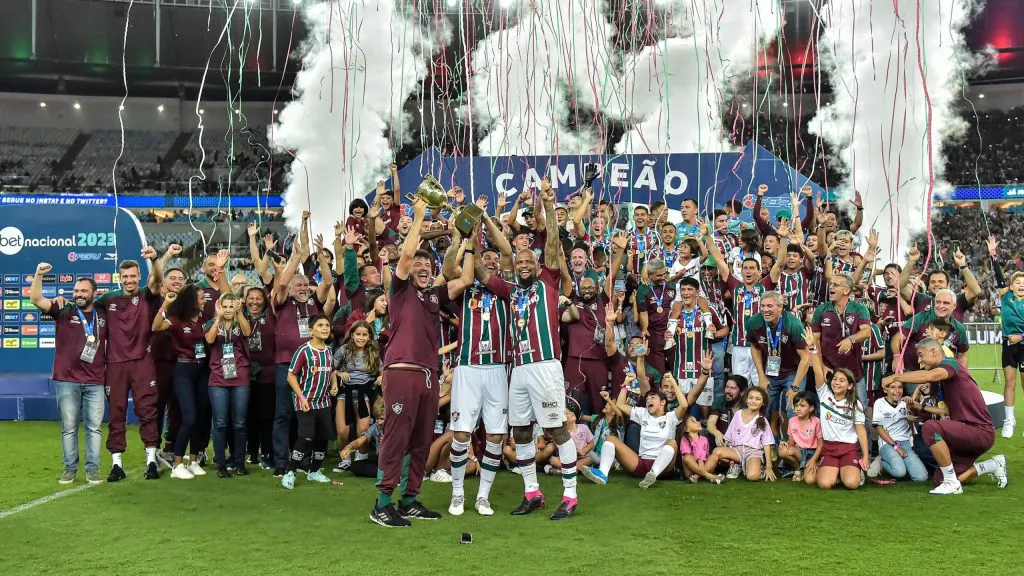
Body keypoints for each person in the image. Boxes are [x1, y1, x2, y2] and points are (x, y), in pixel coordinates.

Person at [478, 180, 581, 520]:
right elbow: (481, 273)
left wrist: (549, 206)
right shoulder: (509, 291)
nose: (523, 263)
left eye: (527, 260)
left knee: (555, 428)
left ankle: (570, 495)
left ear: (536, 266)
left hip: (545, 366)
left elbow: (552, 244)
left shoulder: (548, 283)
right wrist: (470, 232)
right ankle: (532, 492)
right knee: (520, 430)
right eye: (518, 260)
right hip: (518, 369)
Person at [370, 196, 472, 528]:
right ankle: (382, 502)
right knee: (396, 437)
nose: (423, 268)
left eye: (428, 266)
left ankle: (409, 499)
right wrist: (418, 217)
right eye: (419, 266)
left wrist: (467, 238)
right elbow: (409, 253)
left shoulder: (433, 295)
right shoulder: (399, 289)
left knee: (421, 440)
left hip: (429, 375)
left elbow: (464, 280)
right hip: (402, 371)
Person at [442, 225, 511, 517]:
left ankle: (483, 496)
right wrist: (463, 240)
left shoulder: (507, 290)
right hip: (468, 368)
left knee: (496, 437)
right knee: (460, 434)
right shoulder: (464, 288)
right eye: (487, 258)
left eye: (495, 261)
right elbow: (448, 268)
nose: (492, 262)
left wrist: (485, 227)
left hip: (497, 369)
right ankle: (457, 494)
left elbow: (508, 252)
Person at [882, 339, 1007, 495]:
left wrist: (896, 377)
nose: (919, 361)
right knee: (939, 480)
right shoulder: (947, 377)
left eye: (921, 355)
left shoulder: (950, 364)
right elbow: (946, 411)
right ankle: (992, 464)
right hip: (967, 432)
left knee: (930, 428)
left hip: (978, 431)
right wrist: (920, 407)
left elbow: (931, 375)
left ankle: (951, 482)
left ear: (934, 352)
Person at [30, 263, 107, 485]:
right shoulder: (63, 310)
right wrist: (39, 274)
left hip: (95, 380)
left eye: (83, 291)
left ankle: (93, 469)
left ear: (94, 293)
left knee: (94, 429)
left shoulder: (103, 314)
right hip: (66, 380)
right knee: (69, 428)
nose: (78, 295)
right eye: (75, 291)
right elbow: (36, 299)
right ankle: (70, 470)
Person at [93, 249, 165, 482]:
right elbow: (84, 308)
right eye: (125, 277)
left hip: (142, 362)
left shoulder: (147, 295)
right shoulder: (107, 300)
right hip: (115, 364)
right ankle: (116, 465)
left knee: (148, 411)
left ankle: (151, 461)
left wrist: (154, 259)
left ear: (138, 276)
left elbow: (157, 280)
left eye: (133, 276)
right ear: (119, 277)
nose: (129, 280)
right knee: (116, 413)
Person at [271, 221, 334, 477]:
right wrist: (296, 256)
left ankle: (306, 463)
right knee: (284, 414)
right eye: (298, 284)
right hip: (286, 365)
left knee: (311, 416)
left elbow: (328, 283)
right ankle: (280, 462)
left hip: (314, 369)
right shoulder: (282, 302)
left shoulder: (313, 304)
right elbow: (282, 285)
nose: (301, 287)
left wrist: (321, 257)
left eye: (304, 285)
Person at [581, 372, 693, 488]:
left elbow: (684, 405)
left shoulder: (671, 417)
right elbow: (620, 405)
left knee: (672, 442)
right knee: (610, 439)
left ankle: (653, 474)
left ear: (662, 402)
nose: (649, 400)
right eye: (648, 399)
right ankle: (602, 474)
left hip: (663, 469)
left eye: (653, 398)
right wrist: (626, 383)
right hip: (641, 463)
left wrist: (673, 383)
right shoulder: (643, 413)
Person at [152, 284, 211, 480]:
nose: (204, 300)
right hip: (183, 370)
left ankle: (193, 461)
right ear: (192, 300)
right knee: (189, 416)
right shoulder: (177, 320)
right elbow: (156, 327)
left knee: (200, 416)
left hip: (202, 370)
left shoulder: (203, 319)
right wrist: (166, 304)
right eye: (201, 297)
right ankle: (177, 465)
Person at [803, 328, 870, 490]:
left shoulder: (856, 404)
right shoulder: (825, 394)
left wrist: (866, 456)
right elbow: (818, 370)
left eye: (841, 380)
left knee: (852, 484)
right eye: (835, 379)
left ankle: (849, 471)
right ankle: (835, 471)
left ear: (850, 385)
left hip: (849, 448)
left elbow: (861, 431)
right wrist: (813, 348)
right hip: (829, 447)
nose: (836, 382)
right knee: (824, 484)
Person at [704, 220, 766, 388]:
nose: (748, 271)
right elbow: (719, 260)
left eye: (752, 268)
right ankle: (739, 414)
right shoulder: (735, 286)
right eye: (745, 268)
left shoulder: (764, 287)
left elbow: (780, 264)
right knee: (738, 387)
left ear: (759, 272)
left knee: (761, 387)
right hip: (739, 346)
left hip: (760, 346)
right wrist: (708, 237)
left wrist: (783, 239)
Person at [282, 315, 337, 489]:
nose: (324, 328)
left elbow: (332, 370)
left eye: (327, 325)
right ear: (311, 330)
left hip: (324, 402)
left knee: (323, 437)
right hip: (306, 401)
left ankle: (314, 471)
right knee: (305, 436)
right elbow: (291, 375)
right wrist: (302, 397)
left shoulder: (328, 351)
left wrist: (334, 384)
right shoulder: (304, 350)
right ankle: (289, 472)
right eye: (320, 325)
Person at [745, 290, 810, 435]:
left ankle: (793, 447)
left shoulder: (793, 324)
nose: (765, 310)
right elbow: (755, 347)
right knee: (763, 409)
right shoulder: (754, 322)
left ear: (780, 307)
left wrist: (794, 387)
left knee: (793, 408)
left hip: (793, 372)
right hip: (769, 373)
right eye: (762, 306)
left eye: (769, 306)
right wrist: (761, 376)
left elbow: (806, 357)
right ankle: (767, 446)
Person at [204, 291, 253, 478]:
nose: (228, 309)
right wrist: (217, 317)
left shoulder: (240, 322)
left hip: (240, 376)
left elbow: (248, 333)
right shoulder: (212, 323)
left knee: (240, 423)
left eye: (232, 306)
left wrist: (239, 314)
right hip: (218, 377)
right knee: (220, 423)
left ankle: (239, 462)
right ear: (219, 306)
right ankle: (221, 464)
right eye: (225, 306)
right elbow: (208, 340)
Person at [811, 273, 872, 405]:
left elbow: (866, 332)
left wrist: (850, 339)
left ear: (846, 290)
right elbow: (815, 341)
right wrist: (822, 365)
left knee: (861, 411)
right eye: (830, 284)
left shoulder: (859, 308)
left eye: (835, 285)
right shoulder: (821, 310)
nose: (830, 287)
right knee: (828, 410)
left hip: (853, 373)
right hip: (829, 372)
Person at [332, 320, 381, 472]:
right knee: (342, 431)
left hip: (364, 392)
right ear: (352, 335)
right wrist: (340, 373)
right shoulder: (344, 349)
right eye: (358, 334)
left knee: (363, 429)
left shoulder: (373, 352)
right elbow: (331, 369)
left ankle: (361, 459)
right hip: (345, 392)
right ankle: (345, 459)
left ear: (369, 337)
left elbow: (382, 370)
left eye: (364, 335)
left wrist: (382, 377)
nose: (361, 338)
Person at [988, 236, 1024, 438]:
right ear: (1010, 286)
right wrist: (993, 254)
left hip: (1022, 344)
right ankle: (1009, 419)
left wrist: (1020, 336)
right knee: (1009, 382)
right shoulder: (1006, 296)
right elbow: (998, 275)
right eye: (1017, 282)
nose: (1021, 285)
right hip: (1008, 345)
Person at [704, 387, 777, 482]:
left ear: (762, 403)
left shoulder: (763, 420)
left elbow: (767, 444)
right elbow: (729, 435)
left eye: (758, 399)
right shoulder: (738, 414)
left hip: (753, 452)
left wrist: (769, 467)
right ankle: (702, 473)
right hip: (736, 450)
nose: (753, 401)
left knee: (752, 476)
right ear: (746, 399)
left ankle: (759, 468)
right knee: (717, 451)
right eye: (751, 398)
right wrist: (726, 448)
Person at [890, 289, 970, 374]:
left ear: (954, 306)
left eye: (946, 303)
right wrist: (897, 356)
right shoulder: (921, 318)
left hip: (943, 376)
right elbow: (897, 338)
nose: (941, 306)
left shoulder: (959, 328)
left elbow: (962, 354)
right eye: (938, 302)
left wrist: (963, 373)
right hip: (914, 374)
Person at [243, 285, 276, 470]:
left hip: (267, 374)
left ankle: (267, 452)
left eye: (258, 298)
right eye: (251, 298)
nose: (254, 302)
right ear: (245, 300)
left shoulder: (270, 317)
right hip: (243, 374)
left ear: (264, 301)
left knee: (266, 416)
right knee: (248, 416)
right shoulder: (241, 317)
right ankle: (252, 451)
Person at [871, 379, 928, 482]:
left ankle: (899, 461)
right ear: (885, 389)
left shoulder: (905, 403)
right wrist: (896, 447)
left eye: (900, 387)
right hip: (888, 443)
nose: (897, 391)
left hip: (906, 443)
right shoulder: (879, 403)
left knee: (921, 477)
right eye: (892, 387)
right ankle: (881, 460)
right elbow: (878, 428)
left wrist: (912, 407)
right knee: (899, 472)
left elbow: (916, 418)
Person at [777, 391, 822, 483]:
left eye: (802, 406)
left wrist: (813, 460)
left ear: (811, 408)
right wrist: (786, 444)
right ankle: (797, 469)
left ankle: (809, 468)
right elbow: (791, 441)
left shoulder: (816, 421)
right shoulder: (792, 421)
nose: (798, 408)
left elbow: (821, 444)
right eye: (796, 405)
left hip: (812, 454)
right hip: (799, 452)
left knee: (810, 480)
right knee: (782, 451)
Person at [679, 416, 720, 483]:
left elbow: (707, 454)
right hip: (691, 470)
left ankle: (696, 476)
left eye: (697, 420)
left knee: (714, 456)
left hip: (705, 467)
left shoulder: (704, 439)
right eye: (693, 421)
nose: (697, 422)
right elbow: (688, 456)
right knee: (687, 457)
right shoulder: (685, 439)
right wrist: (699, 461)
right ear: (687, 429)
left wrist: (709, 463)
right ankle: (709, 476)